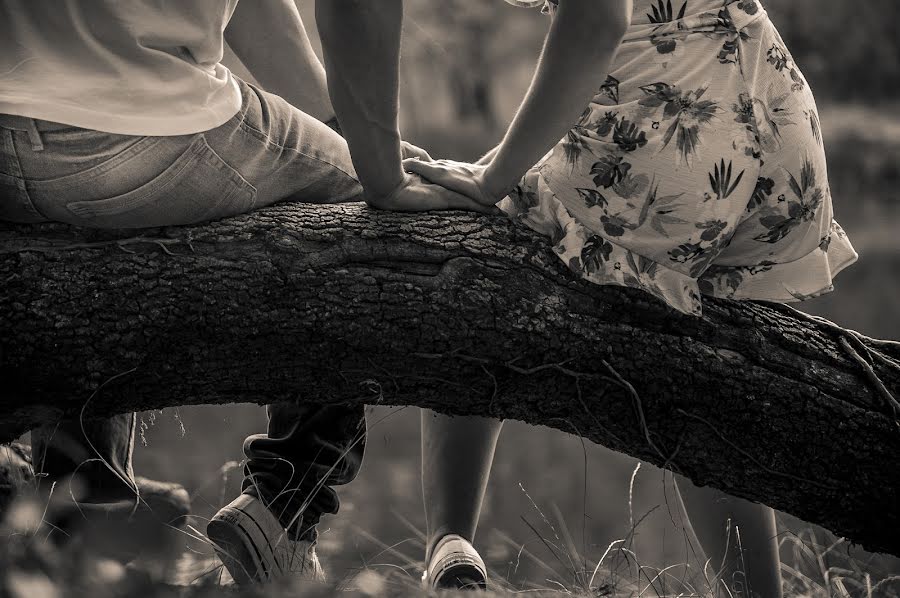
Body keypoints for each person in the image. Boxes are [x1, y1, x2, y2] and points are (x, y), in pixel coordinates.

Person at [0, 0, 486, 582]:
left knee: (84, 256)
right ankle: (284, 505)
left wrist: (330, 126)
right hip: (145, 127)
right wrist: (372, 161)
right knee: (378, 213)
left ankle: (79, 525)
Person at [396, 0, 857, 595]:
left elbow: (596, 18)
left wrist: (494, 179)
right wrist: (505, 163)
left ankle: (449, 540)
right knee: (702, 363)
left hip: (671, 120)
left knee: (485, 249)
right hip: (770, 107)